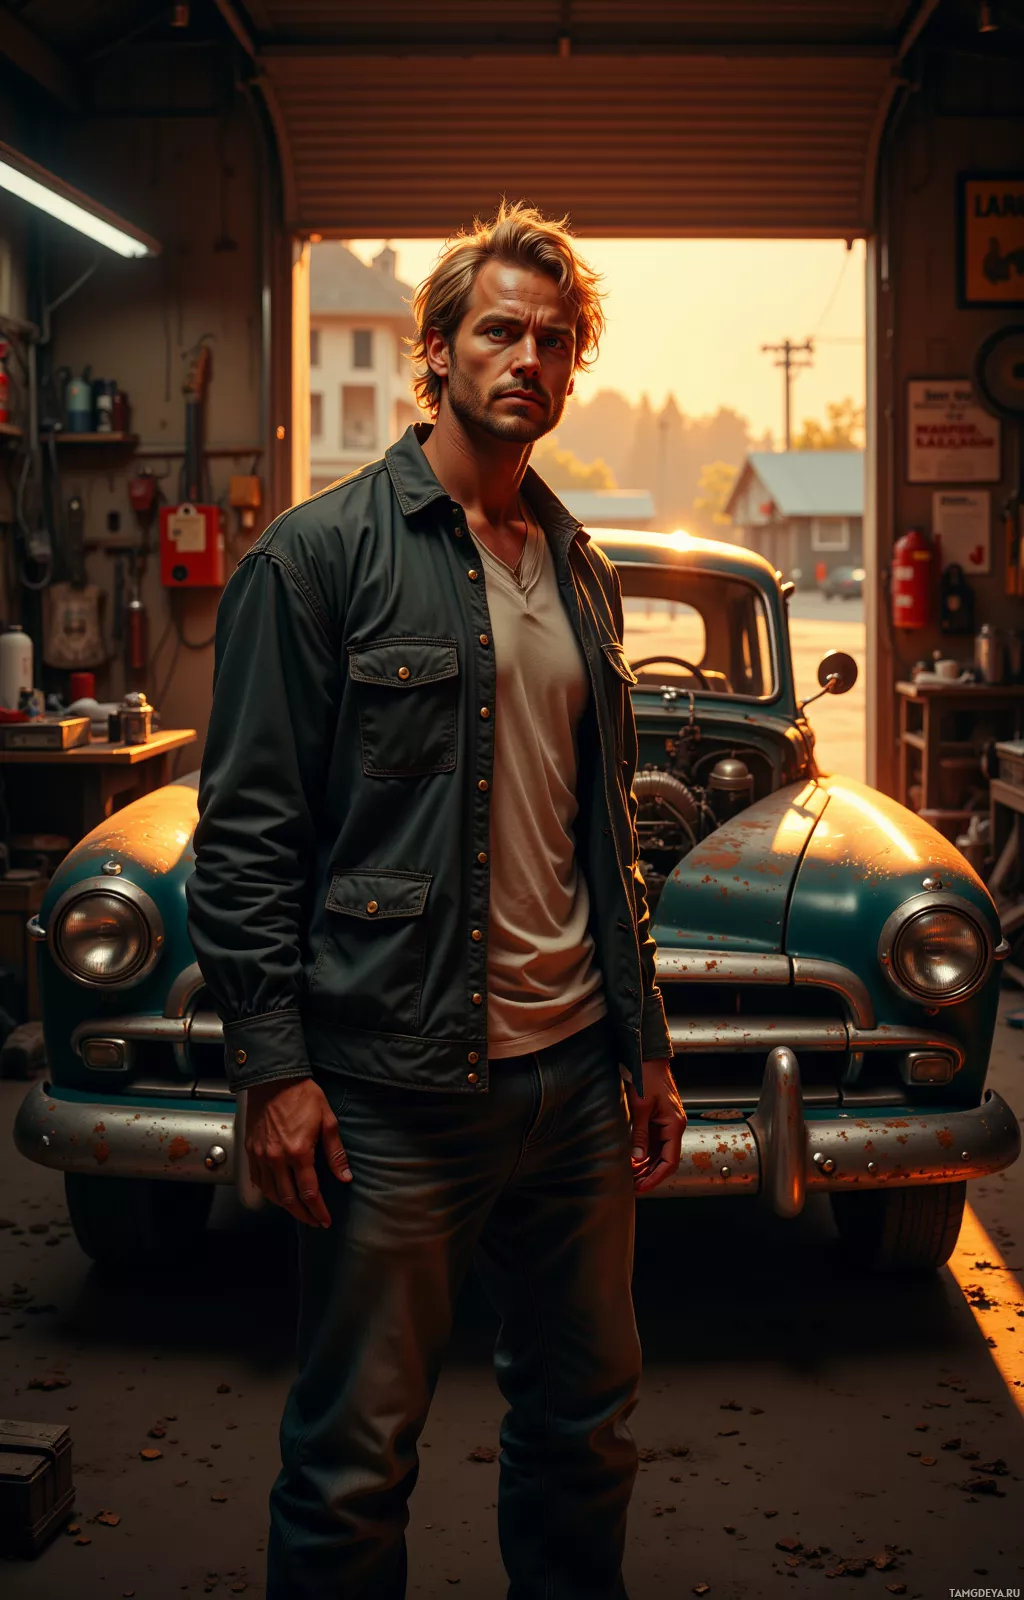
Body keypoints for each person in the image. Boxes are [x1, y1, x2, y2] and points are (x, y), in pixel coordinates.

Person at [186, 200, 687, 1600]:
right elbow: (248, 839)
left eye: (555, 338)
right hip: (393, 1091)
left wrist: (644, 1044)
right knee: (352, 1464)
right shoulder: (317, 558)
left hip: (573, 1084)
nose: (530, 357)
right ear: (440, 351)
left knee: (586, 1432)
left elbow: (602, 841)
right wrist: (275, 1069)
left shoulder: (579, 570)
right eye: (500, 330)